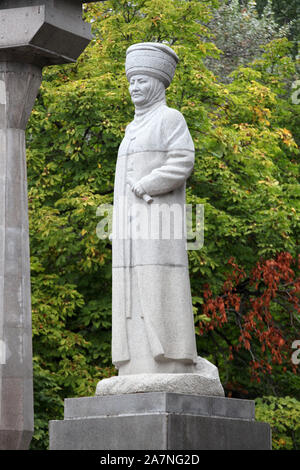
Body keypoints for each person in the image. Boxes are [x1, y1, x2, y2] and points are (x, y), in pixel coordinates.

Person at [111, 42, 198, 375]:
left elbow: (182, 160)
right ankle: (135, 364)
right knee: (130, 294)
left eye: (141, 81)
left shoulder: (169, 118)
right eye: (131, 81)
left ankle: (170, 362)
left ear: (159, 83)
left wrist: (148, 184)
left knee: (159, 287)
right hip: (129, 232)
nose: (134, 87)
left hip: (158, 226)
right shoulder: (130, 129)